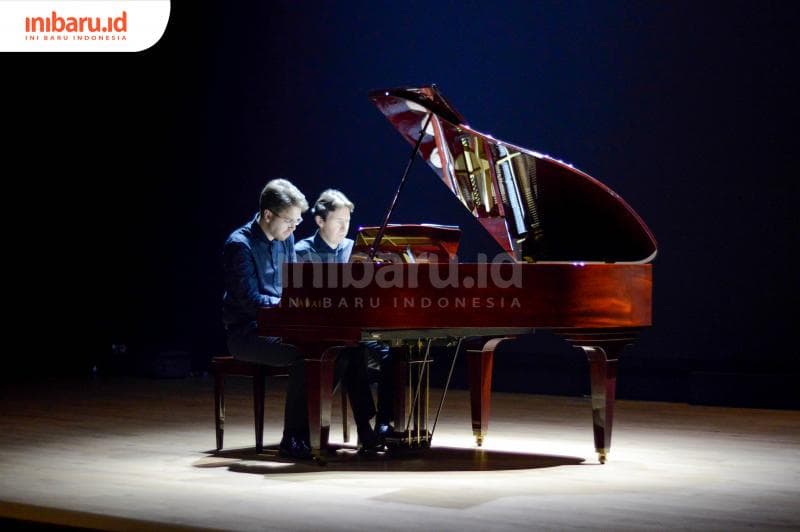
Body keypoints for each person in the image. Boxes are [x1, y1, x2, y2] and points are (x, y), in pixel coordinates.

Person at [222, 180, 382, 459]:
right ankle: (293, 438)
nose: (294, 228)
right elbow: (249, 301)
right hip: (247, 333)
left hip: (284, 325)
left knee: (346, 348)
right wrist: (293, 305)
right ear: (268, 215)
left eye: (297, 222)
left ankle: (364, 429)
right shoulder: (240, 245)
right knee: (303, 355)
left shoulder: (287, 239)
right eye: (290, 221)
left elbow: (295, 286)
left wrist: (309, 304)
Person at [296, 189, 395, 437]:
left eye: (348, 222)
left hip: (357, 330)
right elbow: (305, 302)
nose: (345, 228)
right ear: (320, 221)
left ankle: (384, 422)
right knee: (354, 354)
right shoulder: (302, 252)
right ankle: (364, 429)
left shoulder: (356, 250)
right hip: (324, 333)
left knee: (395, 353)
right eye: (339, 222)